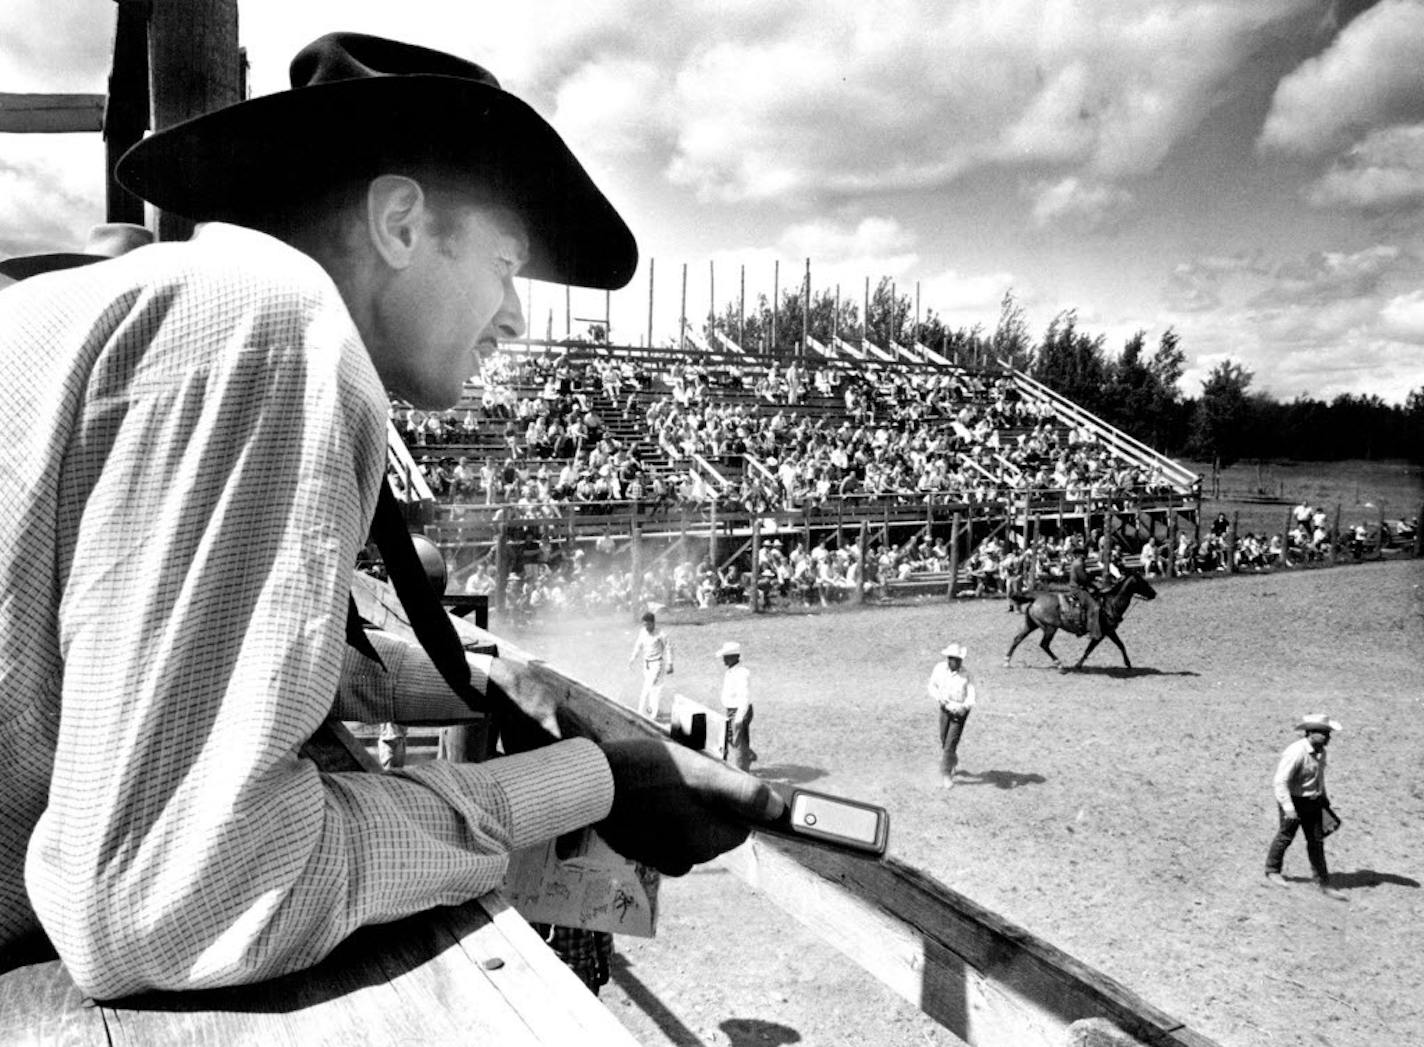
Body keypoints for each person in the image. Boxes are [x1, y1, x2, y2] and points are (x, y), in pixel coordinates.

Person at [0, 32, 782, 1000]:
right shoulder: (269, 319)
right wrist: (595, 778)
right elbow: (173, 908)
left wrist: (486, 674)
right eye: (504, 265)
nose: (515, 317)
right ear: (402, 225)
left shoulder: (169, 303)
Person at [1264, 714, 1346, 900]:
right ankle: (1272, 870)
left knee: (1316, 842)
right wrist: (1288, 808)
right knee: (1286, 836)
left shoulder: (1321, 752)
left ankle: (1322, 882)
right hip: (1294, 801)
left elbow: (1318, 777)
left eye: (1328, 733)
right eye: (1324, 733)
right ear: (1311, 733)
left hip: (1313, 801)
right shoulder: (1295, 752)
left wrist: (1323, 798)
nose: (1328, 738)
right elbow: (1280, 781)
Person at [928, 642, 977, 788]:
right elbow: (931, 686)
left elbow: (971, 695)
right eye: (952, 658)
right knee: (944, 739)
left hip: (959, 711)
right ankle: (952, 761)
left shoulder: (967, 675)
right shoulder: (939, 669)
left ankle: (946, 774)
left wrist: (964, 707)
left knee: (950, 744)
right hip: (945, 708)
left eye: (957, 659)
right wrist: (940, 699)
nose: (954, 661)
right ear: (948, 659)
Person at [627, 610, 673, 719]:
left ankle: (645, 714)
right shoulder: (643, 632)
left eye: (648, 624)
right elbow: (638, 645)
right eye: (644, 624)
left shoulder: (661, 633)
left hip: (657, 664)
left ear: (653, 623)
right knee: (652, 688)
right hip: (646, 664)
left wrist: (670, 663)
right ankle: (649, 712)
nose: (646, 627)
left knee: (649, 688)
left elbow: (669, 648)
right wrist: (632, 658)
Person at [718, 641, 755, 771]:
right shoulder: (731, 671)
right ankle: (747, 754)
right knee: (730, 737)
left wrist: (739, 718)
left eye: (726, 656)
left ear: (733, 657)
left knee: (738, 741)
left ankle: (742, 770)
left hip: (739, 711)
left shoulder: (742, 673)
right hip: (731, 710)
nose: (723, 659)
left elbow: (744, 697)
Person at [1065, 539, 1104, 640]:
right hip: (1077, 589)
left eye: (1085, 553)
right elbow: (1084, 578)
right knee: (1095, 607)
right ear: (1080, 554)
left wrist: (1093, 578)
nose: (1085, 555)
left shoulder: (1078, 562)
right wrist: (1094, 579)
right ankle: (1092, 632)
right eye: (1083, 553)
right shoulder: (1079, 563)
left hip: (1078, 586)